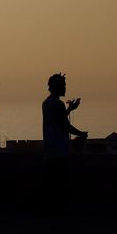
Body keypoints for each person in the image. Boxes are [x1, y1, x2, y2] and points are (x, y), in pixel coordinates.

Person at [42, 73, 88, 209]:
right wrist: (81, 134)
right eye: (63, 85)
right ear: (57, 86)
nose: (65, 88)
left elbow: (58, 119)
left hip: (50, 149)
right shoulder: (57, 103)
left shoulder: (46, 102)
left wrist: (69, 109)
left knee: (51, 184)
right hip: (59, 150)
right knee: (60, 183)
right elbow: (64, 124)